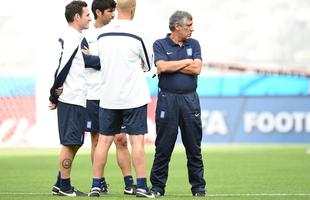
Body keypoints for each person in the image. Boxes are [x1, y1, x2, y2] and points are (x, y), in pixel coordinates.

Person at [88, 0, 154, 197]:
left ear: (117, 9)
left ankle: (96, 185)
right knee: (137, 142)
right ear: (133, 9)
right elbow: (149, 65)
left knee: (103, 143)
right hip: (133, 97)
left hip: (108, 96)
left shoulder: (102, 34)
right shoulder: (138, 33)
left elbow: (100, 60)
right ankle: (141, 186)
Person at [149, 10, 207, 197]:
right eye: (189, 26)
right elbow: (162, 67)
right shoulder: (160, 44)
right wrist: (185, 62)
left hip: (190, 99)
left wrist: (172, 65)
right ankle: (157, 188)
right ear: (177, 26)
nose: (192, 29)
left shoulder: (194, 44)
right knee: (163, 147)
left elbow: (197, 68)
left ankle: (198, 188)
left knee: (193, 147)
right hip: (167, 99)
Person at [82, 0, 136, 195]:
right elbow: (85, 60)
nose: (113, 14)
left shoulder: (116, 30)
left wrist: (102, 60)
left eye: (114, 10)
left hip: (115, 93)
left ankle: (129, 182)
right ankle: (99, 181)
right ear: (98, 12)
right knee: (96, 141)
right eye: (109, 11)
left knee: (121, 139)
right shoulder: (86, 35)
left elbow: (123, 59)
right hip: (93, 94)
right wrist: (109, 60)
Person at [49, 0, 91, 197]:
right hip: (71, 97)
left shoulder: (72, 37)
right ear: (77, 17)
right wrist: (54, 95)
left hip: (77, 97)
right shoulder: (73, 38)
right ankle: (65, 187)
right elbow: (62, 67)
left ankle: (60, 182)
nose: (89, 17)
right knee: (70, 142)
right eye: (87, 14)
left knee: (76, 141)